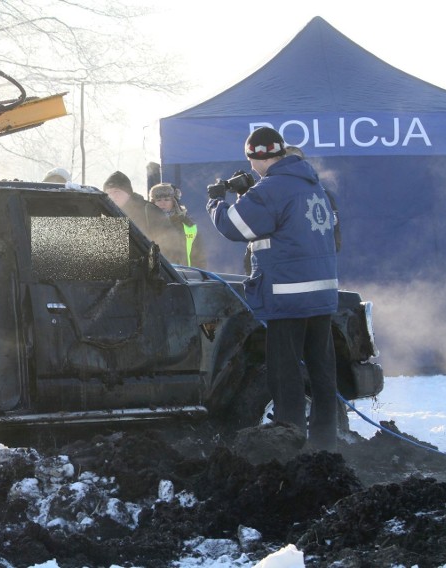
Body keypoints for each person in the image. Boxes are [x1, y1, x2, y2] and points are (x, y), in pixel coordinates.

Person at [206, 126, 339, 451]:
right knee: (322, 372)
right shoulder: (311, 185)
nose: (251, 168)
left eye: (251, 161)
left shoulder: (271, 190)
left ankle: (288, 443)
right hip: (321, 297)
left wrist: (214, 202)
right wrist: (250, 194)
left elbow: (234, 226)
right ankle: (325, 443)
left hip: (287, 297)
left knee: (285, 371)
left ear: (256, 157)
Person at [102, 171, 186, 265]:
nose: (113, 196)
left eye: (117, 192)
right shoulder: (107, 215)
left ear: (128, 193)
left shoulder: (148, 211)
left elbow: (171, 245)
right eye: (108, 193)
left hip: (151, 274)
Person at [149, 182, 206, 268]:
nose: (162, 203)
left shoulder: (188, 226)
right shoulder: (146, 222)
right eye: (158, 200)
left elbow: (198, 257)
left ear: (174, 202)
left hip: (183, 277)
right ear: (153, 202)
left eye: (166, 199)